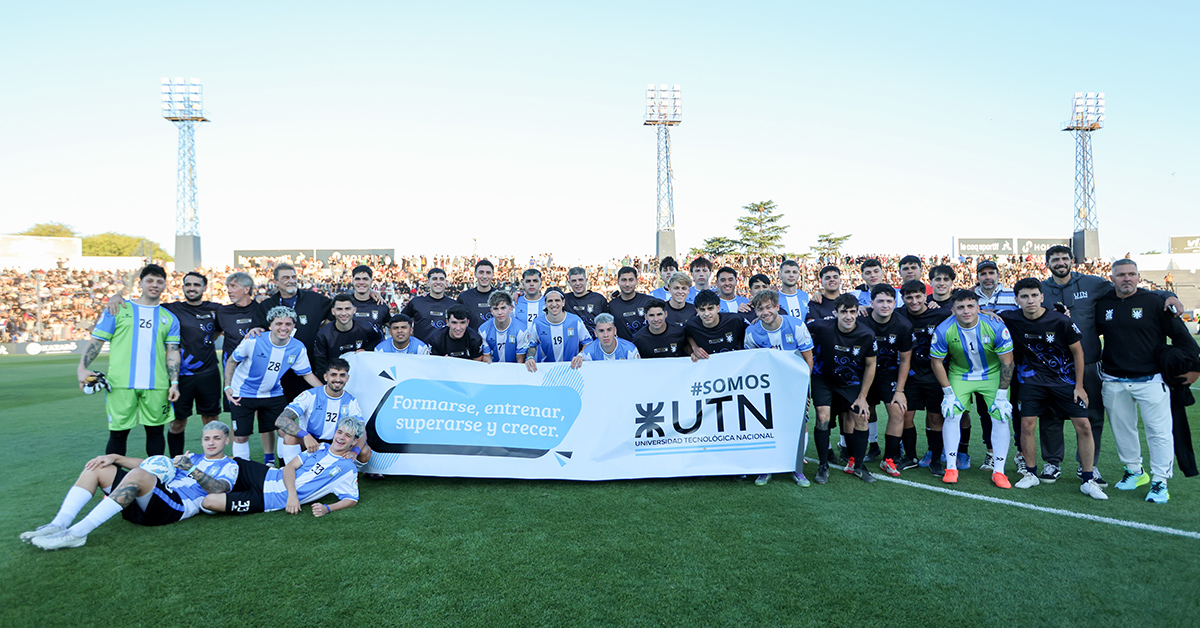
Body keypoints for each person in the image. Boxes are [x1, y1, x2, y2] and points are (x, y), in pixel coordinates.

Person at [1037, 245, 1183, 485]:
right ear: (1047, 263)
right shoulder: (1040, 288)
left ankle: (1088, 465)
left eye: (1064, 258)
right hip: (1054, 365)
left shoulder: (1093, 283)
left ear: (1072, 261)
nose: (1060, 262)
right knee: (1051, 414)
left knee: (1093, 415)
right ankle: (1052, 462)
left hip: (1090, 362)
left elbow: (1130, 290)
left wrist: (1166, 294)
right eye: (1055, 259)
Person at [21, 421, 239, 550]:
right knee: (98, 467)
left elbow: (219, 489)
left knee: (138, 475)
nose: (211, 442)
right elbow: (153, 465)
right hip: (150, 500)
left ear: (226, 440)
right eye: (207, 438)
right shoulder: (192, 456)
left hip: (175, 507)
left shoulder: (230, 465)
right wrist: (115, 458)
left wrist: (191, 468)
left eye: (217, 438)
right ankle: (59, 524)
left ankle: (77, 534)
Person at [1095, 259, 1200, 504]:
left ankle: (1160, 481)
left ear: (1138, 276)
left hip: (1151, 379)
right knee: (1123, 431)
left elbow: (1183, 338)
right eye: (1121, 274)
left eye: (1132, 274)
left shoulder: (1155, 302)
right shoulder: (1103, 304)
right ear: (1112, 278)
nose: (1127, 278)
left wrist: (1195, 368)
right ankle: (1134, 471)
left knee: (1159, 433)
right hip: (1113, 379)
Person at [1000, 279, 1105, 499]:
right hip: (1031, 382)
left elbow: (1078, 353)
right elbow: (984, 314)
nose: (1030, 300)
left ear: (1042, 297)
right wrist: (985, 312)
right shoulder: (1011, 318)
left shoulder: (1060, 320)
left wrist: (1079, 386)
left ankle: (1088, 478)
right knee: (1027, 426)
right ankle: (1030, 473)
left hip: (1064, 381)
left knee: (1084, 426)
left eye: (1034, 295)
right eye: (1024, 296)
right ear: (1017, 300)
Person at [77, 264, 181, 457]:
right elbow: (97, 342)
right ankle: (114, 476)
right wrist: (82, 368)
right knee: (118, 434)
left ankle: (154, 474)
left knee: (156, 433)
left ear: (165, 285)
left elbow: (172, 352)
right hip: (120, 384)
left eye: (159, 282)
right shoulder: (117, 309)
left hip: (157, 384)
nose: (154, 285)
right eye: (150, 280)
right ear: (140, 283)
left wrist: (174, 383)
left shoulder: (170, 318)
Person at [201, 416, 371, 517]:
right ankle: (192, 465)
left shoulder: (347, 468)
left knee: (209, 502)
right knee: (232, 460)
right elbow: (290, 467)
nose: (341, 437)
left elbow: (351, 499)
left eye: (347, 435)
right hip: (267, 474)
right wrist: (292, 495)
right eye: (339, 432)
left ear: (354, 441)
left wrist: (327, 508)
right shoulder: (321, 447)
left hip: (268, 499)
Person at [931, 290, 1015, 488]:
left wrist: (1002, 395)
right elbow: (936, 362)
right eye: (960, 307)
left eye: (970, 306)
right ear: (953, 310)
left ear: (978, 307)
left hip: (992, 373)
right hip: (961, 374)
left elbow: (1007, 362)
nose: (966, 311)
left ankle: (999, 471)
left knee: (1001, 416)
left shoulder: (995, 325)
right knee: (951, 413)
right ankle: (951, 468)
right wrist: (948, 393)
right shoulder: (944, 329)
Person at [225, 306, 325, 465]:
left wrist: (324, 392)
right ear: (270, 325)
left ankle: (287, 469)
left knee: (286, 431)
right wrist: (227, 386)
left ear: (294, 326)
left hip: (273, 393)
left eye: (288, 324)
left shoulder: (297, 347)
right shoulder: (253, 340)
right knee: (241, 436)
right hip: (242, 393)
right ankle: (242, 472)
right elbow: (232, 361)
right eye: (279, 323)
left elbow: (307, 374)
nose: (283, 328)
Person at [740, 290, 815, 486]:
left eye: (768, 307)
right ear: (755, 311)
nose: (765, 312)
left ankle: (797, 467)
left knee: (800, 423)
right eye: (760, 309)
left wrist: (802, 389)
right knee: (766, 423)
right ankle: (767, 467)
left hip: (794, 385)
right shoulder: (752, 333)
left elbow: (808, 360)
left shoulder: (796, 326)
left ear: (777, 307)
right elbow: (752, 363)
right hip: (768, 387)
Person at [808, 294, 877, 485]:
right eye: (844, 312)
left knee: (862, 417)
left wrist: (863, 397)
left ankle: (859, 466)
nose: (848, 316)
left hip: (851, 383)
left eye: (852, 312)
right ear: (835, 313)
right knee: (822, 416)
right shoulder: (821, 327)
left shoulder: (866, 334)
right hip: (823, 379)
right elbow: (798, 330)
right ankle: (823, 465)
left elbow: (871, 365)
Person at [163, 272, 223, 457]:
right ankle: (176, 461)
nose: (192, 288)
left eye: (196, 285)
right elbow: (144, 305)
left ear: (204, 288)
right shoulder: (172, 308)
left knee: (211, 422)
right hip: (181, 376)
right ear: (182, 287)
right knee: (177, 423)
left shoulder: (216, 309)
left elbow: (220, 330)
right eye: (188, 284)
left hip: (209, 374)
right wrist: (117, 298)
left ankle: (212, 460)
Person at [898, 279, 954, 476]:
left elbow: (967, 313)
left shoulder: (941, 314)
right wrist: (863, 308)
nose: (914, 301)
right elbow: (876, 313)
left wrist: (988, 313)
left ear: (925, 296)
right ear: (903, 299)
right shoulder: (898, 315)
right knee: (905, 415)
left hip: (935, 375)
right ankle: (910, 457)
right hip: (910, 375)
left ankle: (936, 459)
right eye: (909, 297)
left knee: (935, 417)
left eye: (918, 296)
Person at [254, 264, 332, 402]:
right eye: (286, 278)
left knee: (310, 411)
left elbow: (338, 308)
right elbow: (258, 329)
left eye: (293, 277)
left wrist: (323, 329)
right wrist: (254, 329)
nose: (291, 280)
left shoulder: (314, 299)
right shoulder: (267, 305)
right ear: (276, 282)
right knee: (279, 413)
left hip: (308, 369)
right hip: (278, 374)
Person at [859, 284, 914, 477]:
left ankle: (888, 459)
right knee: (862, 412)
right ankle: (863, 451)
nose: (885, 305)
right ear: (871, 303)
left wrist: (900, 391)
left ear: (895, 303)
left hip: (888, 374)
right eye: (880, 301)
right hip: (863, 373)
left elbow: (905, 360)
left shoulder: (903, 325)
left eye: (889, 301)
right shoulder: (860, 320)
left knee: (898, 411)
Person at [274, 358, 364, 465]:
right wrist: (305, 436)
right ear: (326, 377)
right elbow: (281, 420)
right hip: (310, 440)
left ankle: (346, 470)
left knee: (365, 451)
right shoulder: (310, 395)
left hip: (336, 442)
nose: (338, 379)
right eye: (333, 375)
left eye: (342, 375)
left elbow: (362, 430)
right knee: (289, 436)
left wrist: (354, 452)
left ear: (347, 378)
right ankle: (292, 470)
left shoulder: (351, 401)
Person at [313, 294, 382, 377]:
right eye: (339, 309)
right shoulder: (324, 334)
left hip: (361, 374)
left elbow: (378, 340)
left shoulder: (366, 327)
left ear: (354, 310)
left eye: (347, 309)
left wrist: (366, 350)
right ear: (333, 311)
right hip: (336, 377)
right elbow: (320, 364)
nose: (343, 313)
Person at [532, 289, 592, 364]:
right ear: (545, 303)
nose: (554, 304)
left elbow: (588, 342)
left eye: (557, 300)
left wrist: (580, 355)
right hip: (547, 368)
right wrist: (530, 357)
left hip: (571, 367)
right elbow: (532, 345)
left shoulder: (575, 321)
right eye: (550, 301)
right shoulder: (537, 323)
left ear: (563, 302)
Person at [684, 289, 746, 360]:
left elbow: (751, 331)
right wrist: (694, 348)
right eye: (702, 310)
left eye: (710, 308)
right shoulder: (692, 324)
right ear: (697, 310)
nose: (706, 314)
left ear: (718, 308)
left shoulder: (735, 320)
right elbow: (687, 335)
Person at [479, 291, 536, 366]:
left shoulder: (521, 330)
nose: (500, 312)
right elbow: (487, 357)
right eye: (496, 309)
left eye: (503, 308)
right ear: (491, 311)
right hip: (494, 368)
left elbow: (520, 360)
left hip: (513, 368)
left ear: (510, 308)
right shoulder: (483, 330)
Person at [402, 268, 452, 343]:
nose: (438, 282)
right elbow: (401, 322)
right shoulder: (416, 302)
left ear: (446, 282)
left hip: (445, 349)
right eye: (434, 279)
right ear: (428, 282)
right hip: (421, 348)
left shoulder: (453, 304)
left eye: (441, 279)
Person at [608, 266, 655, 341]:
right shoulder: (612, 305)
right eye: (624, 280)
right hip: (625, 347)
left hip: (648, 346)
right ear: (618, 282)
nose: (627, 284)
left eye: (631, 280)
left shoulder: (649, 301)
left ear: (636, 281)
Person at [576, 313, 641, 365]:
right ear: (595, 333)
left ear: (615, 331)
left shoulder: (630, 350)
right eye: (601, 331)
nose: (606, 335)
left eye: (609, 330)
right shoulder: (588, 353)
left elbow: (636, 372)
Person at [344, 265, 391, 334]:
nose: (361, 282)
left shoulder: (380, 305)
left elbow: (394, 327)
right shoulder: (344, 304)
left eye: (365, 279)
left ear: (371, 281)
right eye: (357, 279)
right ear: (353, 281)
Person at [563, 266, 608, 336]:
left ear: (586, 280)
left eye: (580, 280)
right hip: (572, 340)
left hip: (594, 341)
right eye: (574, 281)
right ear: (569, 282)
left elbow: (608, 322)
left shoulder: (598, 299)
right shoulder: (564, 299)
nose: (578, 283)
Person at [457, 259, 497, 329]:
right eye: (481, 272)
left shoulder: (500, 296)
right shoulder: (464, 297)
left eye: (488, 273)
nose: (484, 276)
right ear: (475, 274)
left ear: (492, 275)